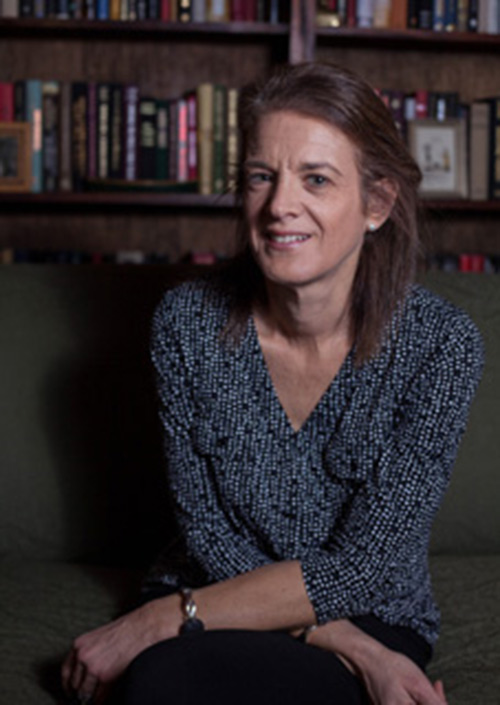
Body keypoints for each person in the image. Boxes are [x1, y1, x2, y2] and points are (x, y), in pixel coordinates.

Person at [61, 62, 484, 705]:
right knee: (160, 687)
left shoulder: (441, 346)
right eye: (262, 176)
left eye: (316, 178)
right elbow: (208, 534)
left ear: (377, 203)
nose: (280, 205)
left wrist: (164, 619)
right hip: (210, 583)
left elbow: (362, 569)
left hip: (368, 607)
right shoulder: (187, 324)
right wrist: (354, 649)